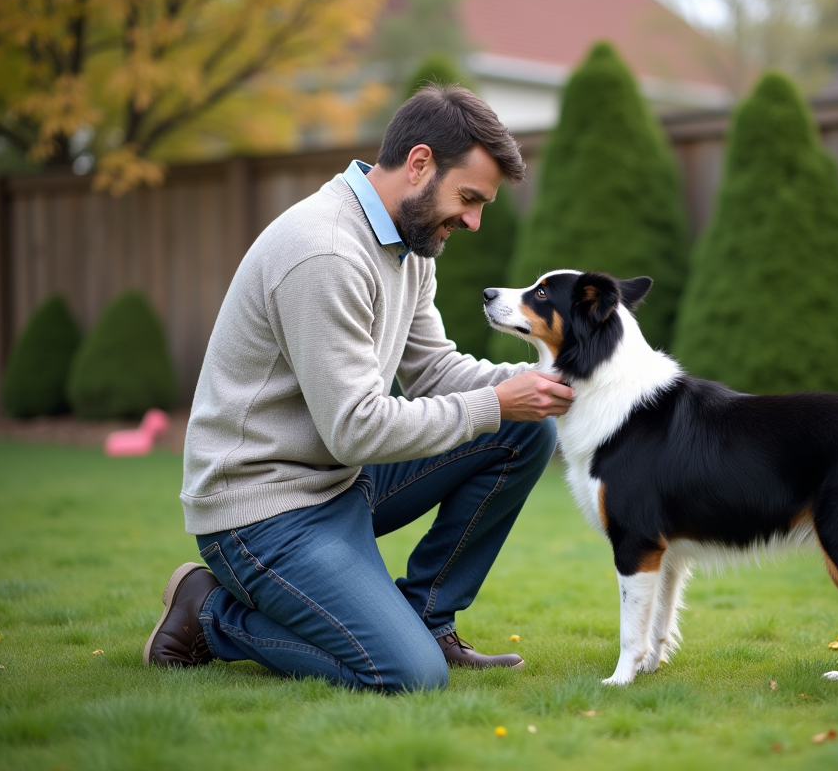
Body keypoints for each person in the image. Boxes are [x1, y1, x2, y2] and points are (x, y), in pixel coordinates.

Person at [143, 84, 574, 693]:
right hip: (263, 509)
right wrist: (496, 401)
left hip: (340, 481)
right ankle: (209, 616)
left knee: (524, 428)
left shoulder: (411, 242)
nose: (474, 222)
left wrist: (545, 384)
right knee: (407, 676)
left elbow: (435, 374)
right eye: (469, 199)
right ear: (420, 164)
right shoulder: (326, 252)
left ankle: (429, 618)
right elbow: (355, 429)